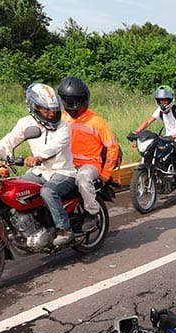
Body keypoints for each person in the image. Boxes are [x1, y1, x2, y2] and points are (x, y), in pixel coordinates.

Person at [0, 83, 77, 246]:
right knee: (13, 190)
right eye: (46, 109)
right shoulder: (25, 123)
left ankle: (64, 229)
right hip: (39, 172)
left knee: (48, 191)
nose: (51, 113)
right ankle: (30, 228)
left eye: (54, 109)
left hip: (63, 172)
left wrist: (39, 157)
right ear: (34, 107)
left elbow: (56, 147)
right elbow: (8, 142)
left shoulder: (63, 127)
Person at [57, 75, 120, 229]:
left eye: (75, 101)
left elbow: (113, 147)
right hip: (67, 164)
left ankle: (92, 214)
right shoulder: (62, 119)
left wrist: (105, 174)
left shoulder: (96, 122)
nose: (72, 105)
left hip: (90, 165)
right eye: (68, 101)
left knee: (83, 179)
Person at [132, 85, 176, 203]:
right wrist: (136, 132)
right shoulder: (159, 111)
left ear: (170, 100)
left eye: (165, 100)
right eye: (161, 100)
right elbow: (148, 121)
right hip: (166, 138)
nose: (163, 103)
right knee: (153, 153)